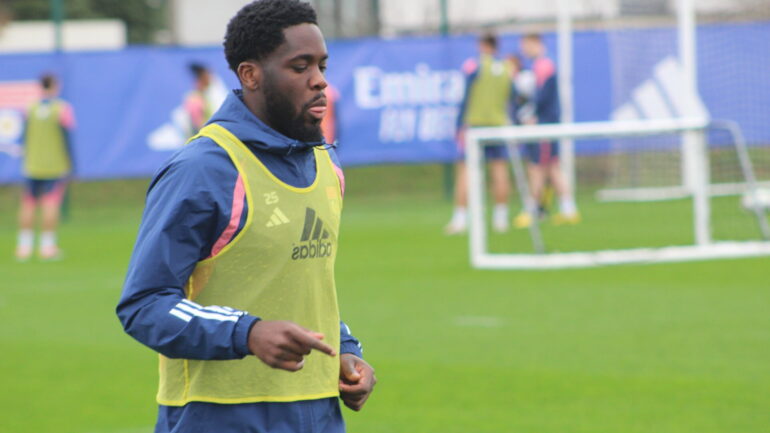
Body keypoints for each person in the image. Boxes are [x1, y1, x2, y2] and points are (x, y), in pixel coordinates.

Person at [116, 1, 376, 432]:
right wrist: (246, 333)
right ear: (251, 75)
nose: (319, 80)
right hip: (219, 415)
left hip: (318, 413)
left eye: (322, 65)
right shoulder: (204, 169)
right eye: (300, 67)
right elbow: (144, 304)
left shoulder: (326, 165)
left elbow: (299, 287)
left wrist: (345, 349)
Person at [446, 32, 515, 235]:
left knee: (465, 171)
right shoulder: (506, 68)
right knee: (499, 170)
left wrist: (459, 124)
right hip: (498, 124)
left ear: (483, 45)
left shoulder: (475, 66)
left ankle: (460, 219)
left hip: (476, 125)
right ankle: (501, 218)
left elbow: (466, 97)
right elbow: (512, 98)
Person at [514, 33, 579, 228]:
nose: (523, 50)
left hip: (544, 125)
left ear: (535, 43)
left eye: (525, 45)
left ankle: (532, 209)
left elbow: (541, 98)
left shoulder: (543, 65)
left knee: (537, 168)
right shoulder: (541, 65)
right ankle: (568, 209)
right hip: (548, 123)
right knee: (552, 167)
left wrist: (531, 116)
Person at [15, 73, 75, 261]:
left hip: (32, 164)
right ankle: (47, 246)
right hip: (54, 165)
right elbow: (67, 138)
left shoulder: (29, 108)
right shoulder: (62, 109)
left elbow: (23, 136)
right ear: (55, 85)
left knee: (29, 203)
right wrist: (71, 163)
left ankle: (24, 247)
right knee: (51, 204)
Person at [184, 62, 214, 135]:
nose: (211, 78)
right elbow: (198, 125)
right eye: (208, 75)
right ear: (202, 77)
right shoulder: (195, 99)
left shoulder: (205, 97)